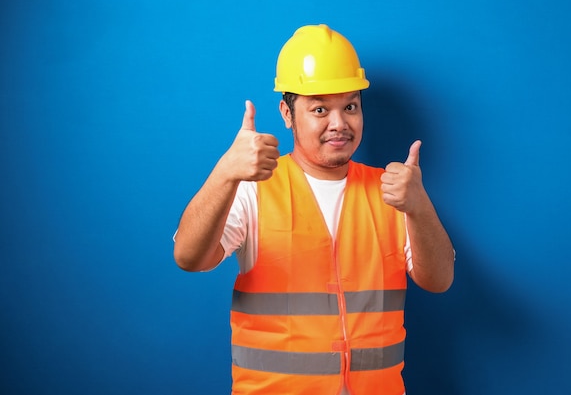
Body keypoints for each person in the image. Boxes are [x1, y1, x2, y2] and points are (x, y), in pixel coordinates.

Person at [173, 24, 455, 395]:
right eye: (319, 108)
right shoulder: (253, 189)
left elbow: (439, 280)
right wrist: (225, 173)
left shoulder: (394, 191)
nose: (339, 124)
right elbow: (189, 257)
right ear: (287, 114)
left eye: (350, 106)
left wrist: (419, 207)